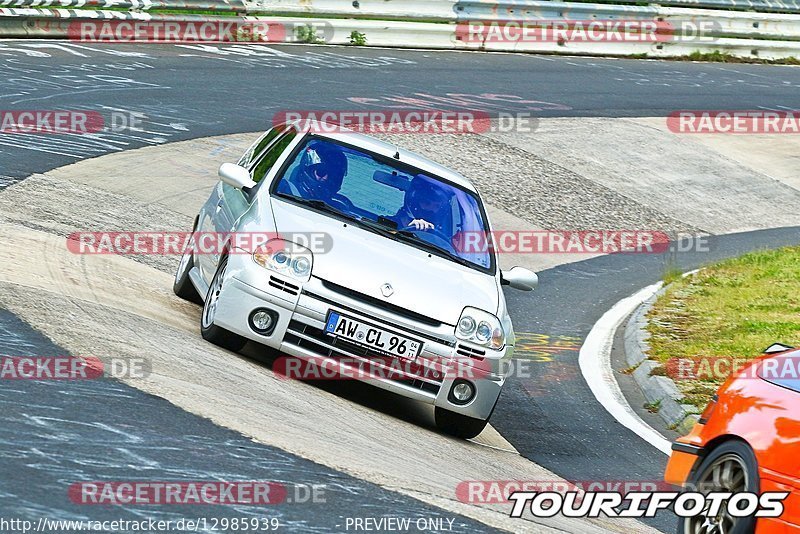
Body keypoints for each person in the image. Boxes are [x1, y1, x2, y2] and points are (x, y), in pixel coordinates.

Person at [280, 141, 350, 206]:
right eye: (321, 171)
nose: (326, 178)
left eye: (334, 175)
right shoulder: (283, 190)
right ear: (308, 170)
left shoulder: (340, 208)